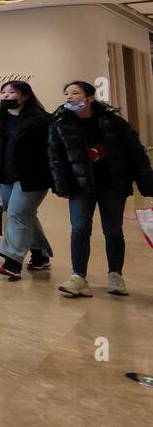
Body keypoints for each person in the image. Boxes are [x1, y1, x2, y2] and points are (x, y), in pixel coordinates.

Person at [47, 80, 153, 298]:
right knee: (79, 230)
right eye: (66, 93)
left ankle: (115, 275)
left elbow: (136, 152)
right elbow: (54, 158)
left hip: (113, 185)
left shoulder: (113, 122)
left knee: (113, 230)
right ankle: (78, 277)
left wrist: (146, 182)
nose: (69, 97)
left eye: (75, 93)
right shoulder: (60, 124)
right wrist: (61, 185)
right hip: (80, 187)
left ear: (90, 98)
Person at [0, 81, 53, 280]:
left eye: (12, 92)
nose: (6, 96)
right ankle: (40, 254)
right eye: (4, 92)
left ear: (25, 96)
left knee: (18, 213)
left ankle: (13, 261)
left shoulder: (41, 119)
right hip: (5, 175)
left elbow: (53, 150)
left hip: (33, 177)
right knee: (23, 214)